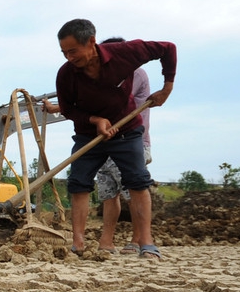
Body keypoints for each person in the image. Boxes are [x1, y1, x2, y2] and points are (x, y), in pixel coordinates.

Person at [54, 19, 176, 259]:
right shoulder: (66, 74)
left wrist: (167, 88)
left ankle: (147, 243)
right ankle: (77, 242)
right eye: (64, 52)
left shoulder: (124, 54)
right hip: (88, 134)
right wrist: (95, 120)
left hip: (126, 129)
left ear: (91, 41)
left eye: (73, 51)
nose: (69, 57)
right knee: (79, 183)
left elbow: (168, 48)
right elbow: (68, 110)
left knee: (138, 181)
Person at [94, 37, 152, 254]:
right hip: (105, 142)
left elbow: (115, 105)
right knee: (109, 194)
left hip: (129, 141)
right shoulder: (104, 76)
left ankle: (138, 240)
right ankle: (106, 241)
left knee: (133, 192)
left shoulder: (135, 74)